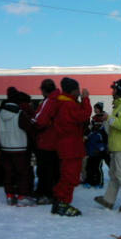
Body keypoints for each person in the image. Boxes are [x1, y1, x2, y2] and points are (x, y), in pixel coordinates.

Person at [94, 79, 121, 212]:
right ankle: (108, 200)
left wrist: (108, 118)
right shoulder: (119, 105)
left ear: (120, 91)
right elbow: (115, 125)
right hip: (117, 146)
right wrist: (106, 121)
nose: (112, 91)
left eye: (114, 89)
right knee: (114, 175)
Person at [51, 77, 91, 217]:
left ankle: (60, 202)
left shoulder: (63, 102)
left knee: (67, 175)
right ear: (73, 90)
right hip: (71, 146)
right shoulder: (69, 105)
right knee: (70, 177)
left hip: (66, 145)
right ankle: (63, 203)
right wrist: (86, 99)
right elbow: (84, 115)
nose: (80, 92)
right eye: (78, 89)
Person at [0, 89, 36, 206]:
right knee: (22, 173)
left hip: (5, 147)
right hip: (20, 147)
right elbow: (30, 128)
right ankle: (22, 196)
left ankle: (9, 195)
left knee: (8, 173)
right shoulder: (20, 114)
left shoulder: (0, 113)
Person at [33, 79, 61, 205]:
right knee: (55, 170)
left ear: (44, 90)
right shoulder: (61, 100)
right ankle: (55, 194)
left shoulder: (49, 101)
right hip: (59, 141)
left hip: (46, 141)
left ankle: (45, 194)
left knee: (45, 171)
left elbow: (40, 120)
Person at [84, 121, 108, 188]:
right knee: (89, 168)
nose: (96, 126)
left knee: (97, 168)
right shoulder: (91, 133)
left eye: (98, 125)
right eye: (95, 125)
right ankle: (89, 181)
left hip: (98, 155)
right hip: (90, 154)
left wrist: (100, 150)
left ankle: (99, 182)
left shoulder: (101, 134)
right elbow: (88, 142)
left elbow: (103, 144)